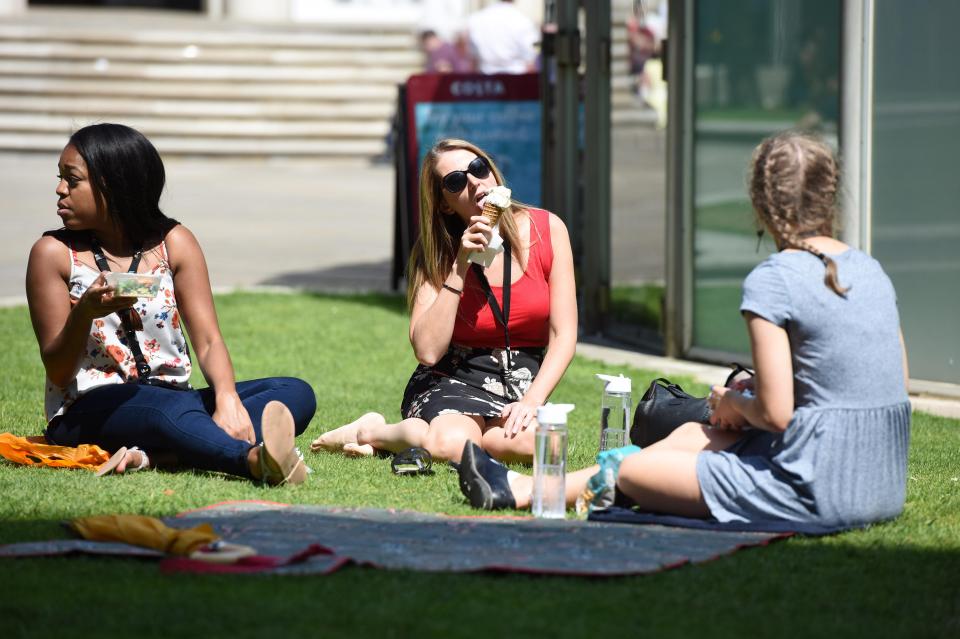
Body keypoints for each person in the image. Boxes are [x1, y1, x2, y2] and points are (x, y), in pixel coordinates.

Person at [458, 132, 912, 529]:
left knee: (636, 474)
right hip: (881, 482)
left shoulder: (775, 278)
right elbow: (885, 381)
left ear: (760, 203)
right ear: (830, 195)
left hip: (819, 488)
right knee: (693, 435)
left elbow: (775, 415)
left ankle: (528, 490)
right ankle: (523, 488)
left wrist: (731, 400)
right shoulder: (869, 269)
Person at [27, 123, 316, 485]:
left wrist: (227, 400)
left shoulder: (175, 242)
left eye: (72, 180)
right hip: (89, 411)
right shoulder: (52, 254)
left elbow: (208, 340)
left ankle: (159, 455)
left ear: (113, 185)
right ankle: (252, 460)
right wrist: (84, 312)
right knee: (171, 412)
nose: (59, 189)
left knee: (294, 392)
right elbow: (58, 371)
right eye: (61, 178)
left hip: (175, 399)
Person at [312, 138, 577, 463]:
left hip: (520, 381)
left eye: (478, 168)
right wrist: (460, 265)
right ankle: (373, 431)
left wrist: (533, 400)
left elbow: (563, 335)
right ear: (445, 205)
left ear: (492, 172)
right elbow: (427, 351)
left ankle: (450, 436)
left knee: (535, 447)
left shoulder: (547, 229)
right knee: (452, 446)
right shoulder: (438, 253)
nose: (474, 182)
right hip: (454, 375)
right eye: (455, 181)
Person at [466, 0, 539, 74]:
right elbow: (530, 59)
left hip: (487, 79)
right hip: (516, 78)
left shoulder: (476, 19)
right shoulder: (523, 20)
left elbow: (473, 60)